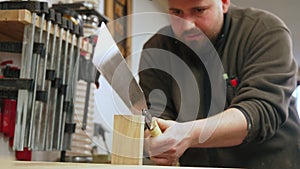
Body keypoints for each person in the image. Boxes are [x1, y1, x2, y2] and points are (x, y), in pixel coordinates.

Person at [138, 0, 300, 168]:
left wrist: (189, 134)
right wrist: (155, 142)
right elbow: (156, 116)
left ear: (224, 3)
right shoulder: (156, 49)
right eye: (177, 13)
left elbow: (260, 110)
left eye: (199, 10)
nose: (187, 26)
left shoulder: (265, 30)